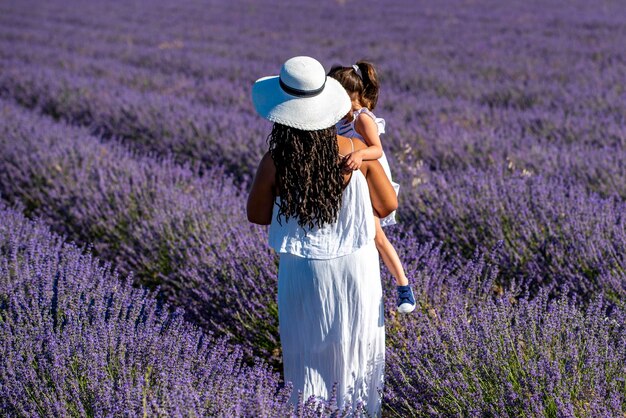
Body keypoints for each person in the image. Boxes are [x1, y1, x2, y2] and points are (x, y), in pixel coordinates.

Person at [247, 56, 398, 416]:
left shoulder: (275, 160)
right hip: (355, 266)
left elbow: (257, 215)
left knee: (308, 357)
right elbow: (387, 206)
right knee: (357, 354)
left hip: (304, 269)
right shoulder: (354, 152)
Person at [328, 61, 416, 314]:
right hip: (353, 183)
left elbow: (377, 149)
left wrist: (359, 155)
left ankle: (403, 287)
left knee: (376, 234)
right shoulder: (341, 119)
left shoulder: (362, 118)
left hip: (371, 183)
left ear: (347, 96)